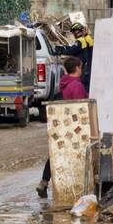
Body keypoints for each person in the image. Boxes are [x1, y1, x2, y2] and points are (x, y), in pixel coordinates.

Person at [36, 57, 88, 198]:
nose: (81, 70)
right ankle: (72, 187)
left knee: (56, 152)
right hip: (73, 125)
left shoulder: (64, 84)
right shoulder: (76, 85)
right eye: (81, 67)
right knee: (75, 155)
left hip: (61, 124)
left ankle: (44, 181)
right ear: (77, 68)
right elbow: (79, 107)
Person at [55, 22, 94, 91]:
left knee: (82, 86)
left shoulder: (80, 41)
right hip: (88, 66)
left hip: (82, 66)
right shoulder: (88, 39)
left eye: (74, 32)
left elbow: (72, 50)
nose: (74, 34)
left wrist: (61, 50)